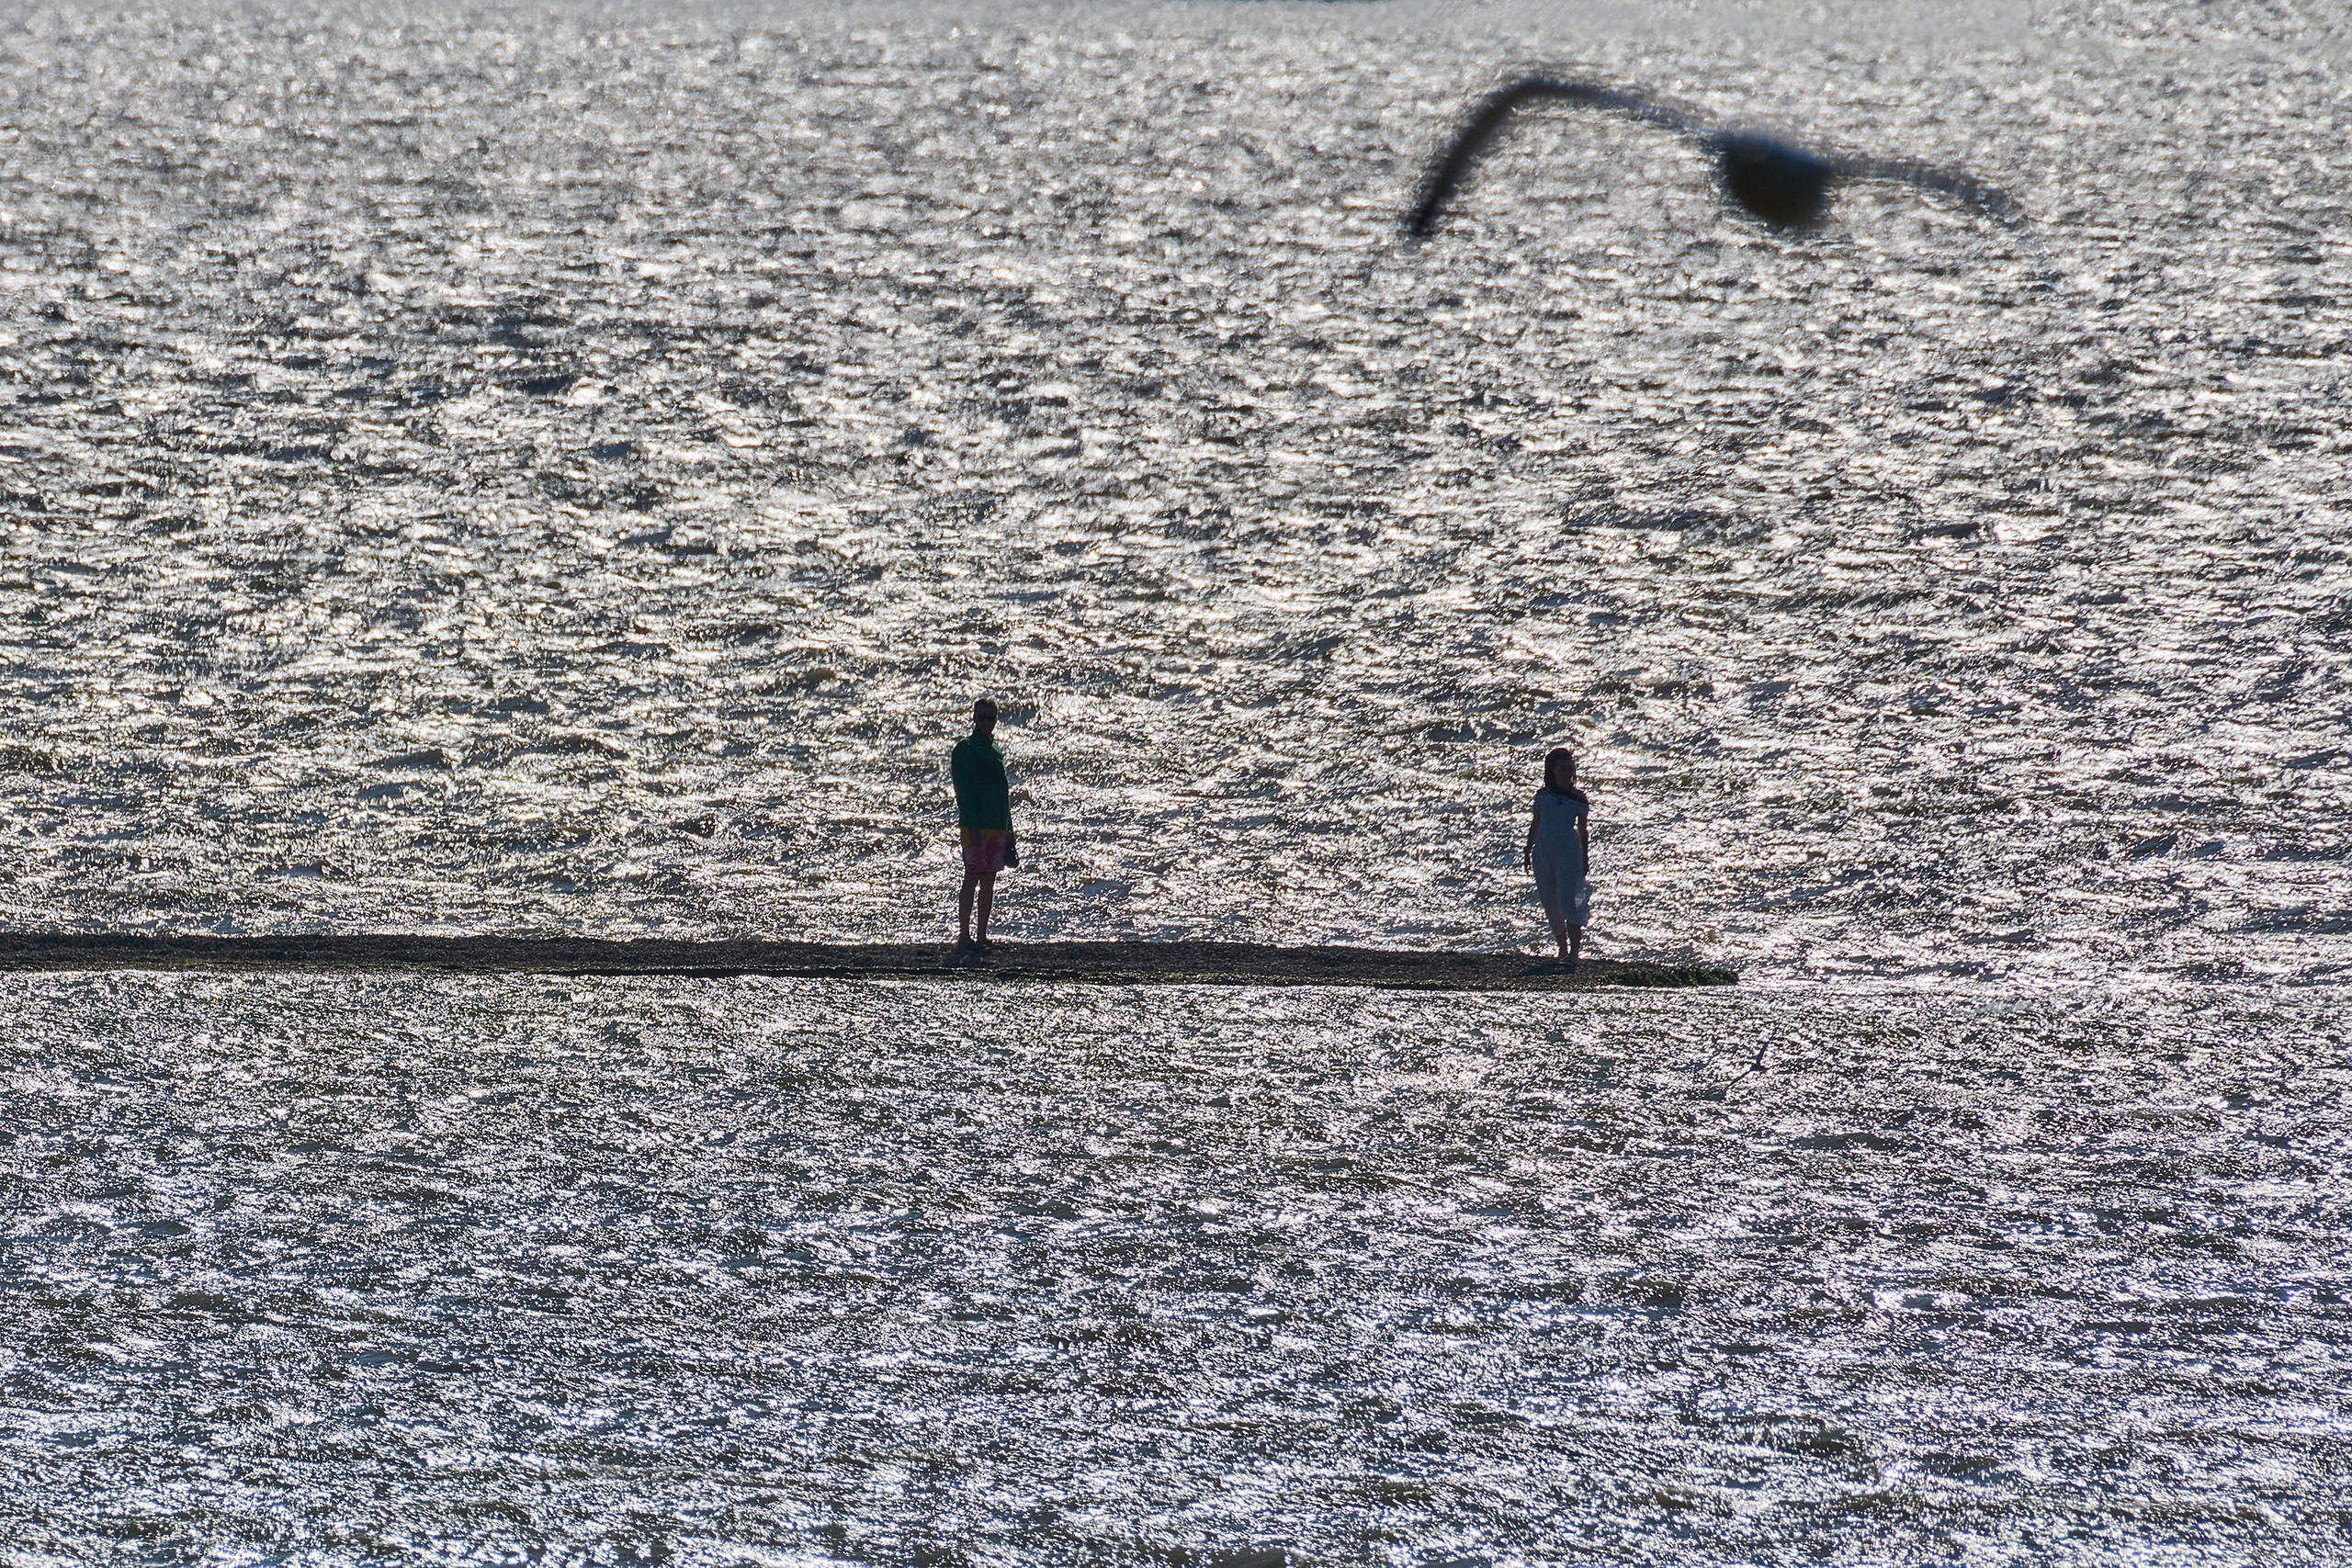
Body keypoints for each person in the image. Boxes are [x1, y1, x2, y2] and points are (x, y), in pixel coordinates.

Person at [950, 698, 1016, 949]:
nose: (987, 722)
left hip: (997, 825)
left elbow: (1003, 793)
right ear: (974, 718)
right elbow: (962, 791)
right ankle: (964, 935)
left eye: (991, 718)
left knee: (989, 881)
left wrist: (1009, 829)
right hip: (974, 826)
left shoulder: (995, 751)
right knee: (972, 877)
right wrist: (972, 826)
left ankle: (981, 936)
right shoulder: (964, 749)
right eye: (983, 717)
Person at [1523, 748, 1591, 970]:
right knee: (1550, 902)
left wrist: (1585, 857)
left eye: (1569, 769)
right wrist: (1527, 848)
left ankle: (1574, 952)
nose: (1565, 773)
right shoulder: (1542, 796)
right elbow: (1536, 823)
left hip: (1569, 853)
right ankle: (1561, 948)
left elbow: (1583, 830)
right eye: (1561, 769)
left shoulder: (1578, 798)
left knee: (1568, 901)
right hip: (1543, 853)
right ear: (1552, 771)